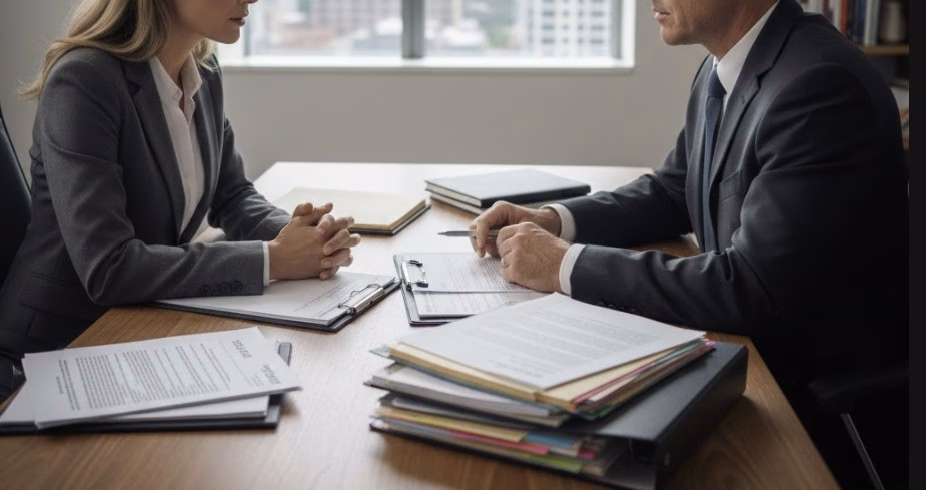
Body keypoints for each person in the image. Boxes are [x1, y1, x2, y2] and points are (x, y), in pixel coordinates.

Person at [470, 0, 907, 487]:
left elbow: (752, 288)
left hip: (803, 396)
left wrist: (564, 265)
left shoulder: (820, 86)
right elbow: (674, 188)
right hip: (738, 353)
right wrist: (555, 219)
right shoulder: (726, 65)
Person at [0, 0, 361, 401]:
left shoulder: (203, 71)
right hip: (57, 352)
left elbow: (233, 195)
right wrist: (273, 258)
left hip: (143, 326)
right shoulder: (84, 80)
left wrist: (308, 240)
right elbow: (109, 267)